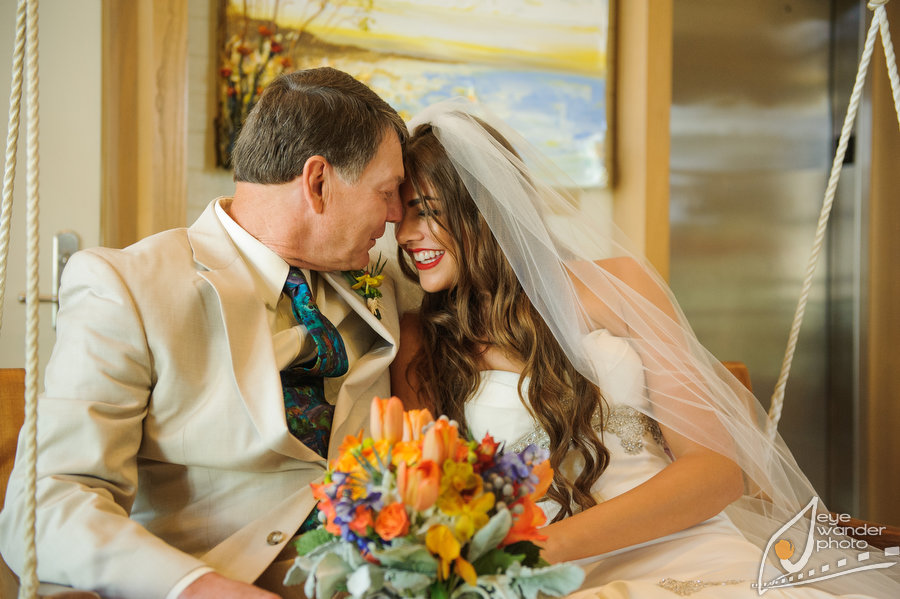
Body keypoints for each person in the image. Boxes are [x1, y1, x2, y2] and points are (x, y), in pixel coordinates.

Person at [390, 99, 900, 598]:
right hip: (543, 578)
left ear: (487, 208)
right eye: (400, 217)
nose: (407, 235)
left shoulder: (616, 285)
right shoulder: (420, 341)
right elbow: (431, 501)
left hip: (686, 545)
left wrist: (551, 544)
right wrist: (526, 559)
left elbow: (717, 471)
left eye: (426, 212)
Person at [0, 67, 406, 598]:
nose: (397, 216)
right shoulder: (126, 287)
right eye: (389, 192)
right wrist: (198, 588)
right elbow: (48, 504)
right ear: (318, 181)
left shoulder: (377, 283)